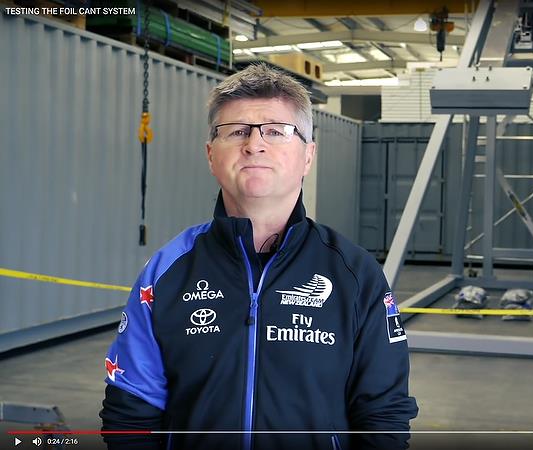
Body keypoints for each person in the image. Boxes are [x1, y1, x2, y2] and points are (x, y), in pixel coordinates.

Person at [100, 63, 418, 450]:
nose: (254, 144)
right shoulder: (167, 271)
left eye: (277, 131)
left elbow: (383, 416)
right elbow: (131, 412)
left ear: (308, 156)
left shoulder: (355, 275)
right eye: (236, 131)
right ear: (210, 155)